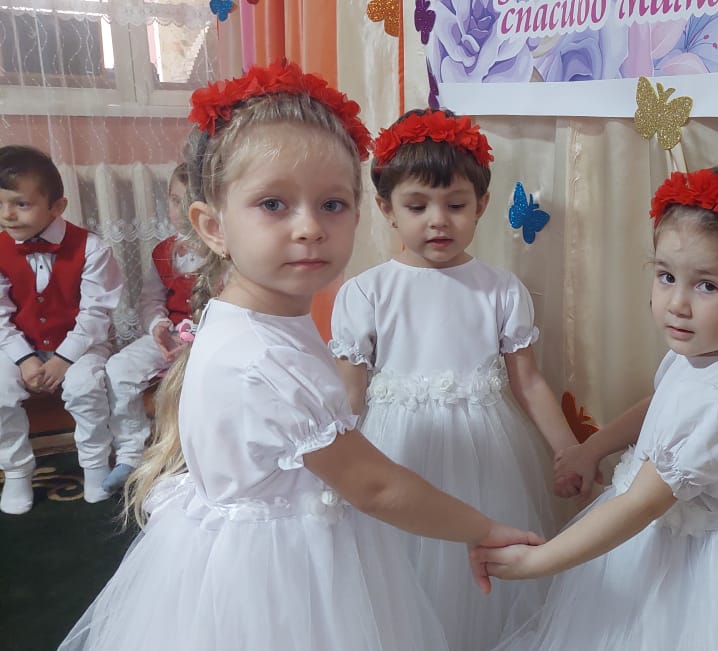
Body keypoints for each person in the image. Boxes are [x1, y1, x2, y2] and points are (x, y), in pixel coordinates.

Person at [59, 61, 540, 651]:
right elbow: (375, 486)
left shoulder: (248, 317)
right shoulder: (268, 357)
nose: (310, 228)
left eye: (332, 204)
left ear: (359, 213)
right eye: (273, 204)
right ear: (212, 225)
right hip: (280, 579)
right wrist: (481, 528)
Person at [480, 165, 718, 650]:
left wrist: (541, 561)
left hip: (685, 564)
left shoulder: (714, 398)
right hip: (664, 536)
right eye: (666, 277)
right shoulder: (704, 356)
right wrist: (593, 448)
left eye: (707, 286)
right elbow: (658, 405)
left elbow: (641, 503)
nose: (677, 304)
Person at [329, 108, 579, 650]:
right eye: (417, 206)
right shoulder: (366, 292)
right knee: (399, 567)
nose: (438, 220)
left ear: (481, 206)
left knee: (482, 573)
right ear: (386, 209)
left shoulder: (501, 288)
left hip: (485, 455)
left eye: (456, 205)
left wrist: (567, 450)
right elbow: (349, 392)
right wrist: (332, 469)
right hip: (397, 451)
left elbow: (529, 382)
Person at [0, 145, 123, 514]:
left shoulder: (92, 248)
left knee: (85, 387)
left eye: (21, 204)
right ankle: (17, 470)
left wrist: (62, 360)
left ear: (57, 207)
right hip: (20, 344)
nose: (7, 214)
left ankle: (95, 466)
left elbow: (96, 313)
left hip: (82, 344)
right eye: (0, 204)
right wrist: (23, 359)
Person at [102, 164, 199, 493]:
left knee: (199, 382)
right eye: (175, 201)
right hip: (170, 335)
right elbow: (151, 300)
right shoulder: (162, 252)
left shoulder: (228, 251)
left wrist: (197, 337)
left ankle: (192, 453)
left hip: (210, 338)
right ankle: (130, 452)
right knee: (119, 367)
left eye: (192, 202)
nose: (181, 211)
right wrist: (157, 326)